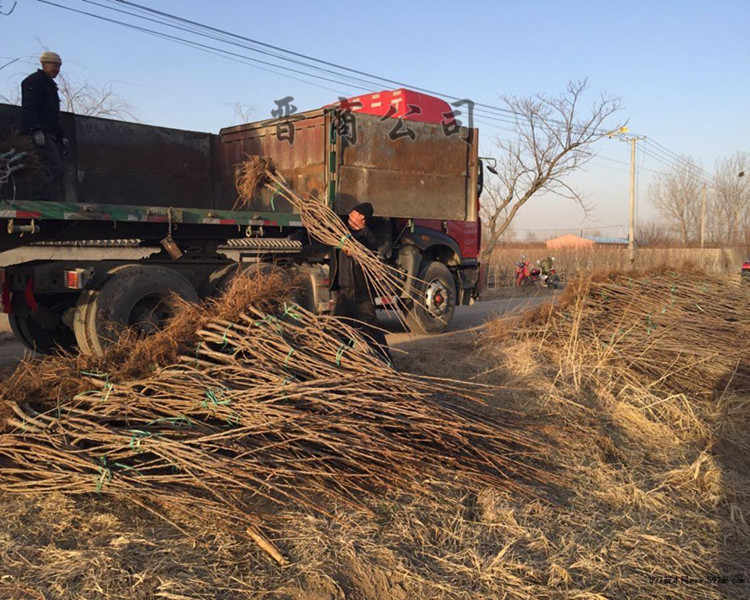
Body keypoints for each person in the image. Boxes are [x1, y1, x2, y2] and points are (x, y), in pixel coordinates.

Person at [296, 202, 392, 364]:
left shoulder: (367, 236)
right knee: (340, 327)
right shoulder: (341, 232)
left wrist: (353, 247)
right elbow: (322, 244)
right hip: (342, 289)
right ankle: (339, 361)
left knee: (371, 327)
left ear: (362, 218)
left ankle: (385, 361)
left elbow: (371, 244)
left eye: (354, 215)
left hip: (361, 291)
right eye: (351, 214)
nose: (350, 217)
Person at [21, 51, 69, 201]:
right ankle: (39, 200)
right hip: (40, 133)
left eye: (59, 66)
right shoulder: (33, 81)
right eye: (54, 65)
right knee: (53, 167)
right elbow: (29, 107)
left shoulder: (50, 86)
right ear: (44, 64)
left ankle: (46, 198)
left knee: (55, 168)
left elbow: (53, 114)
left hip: (51, 133)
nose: (57, 69)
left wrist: (62, 136)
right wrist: (35, 130)